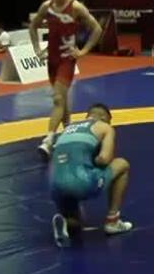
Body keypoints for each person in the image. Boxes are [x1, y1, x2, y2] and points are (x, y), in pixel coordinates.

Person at [30, 0, 104, 158]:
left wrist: (83, 51)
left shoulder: (76, 7)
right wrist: (37, 48)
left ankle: (48, 140)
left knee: (57, 99)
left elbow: (97, 28)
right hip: (52, 60)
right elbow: (33, 26)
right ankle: (68, 133)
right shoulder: (46, 7)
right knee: (61, 100)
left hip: (67, 59)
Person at [49, 103, 134, 247]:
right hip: (80, 181)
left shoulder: (68, 128)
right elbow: (104, 159)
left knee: (76, 223)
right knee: (122, 164)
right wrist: (94, 162)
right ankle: (113, 221)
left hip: (55, 185)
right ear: (104, 118)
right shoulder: (104, 127)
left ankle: (64, 222)